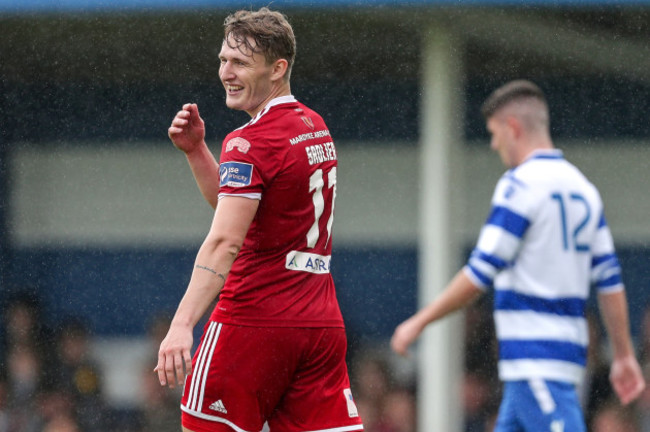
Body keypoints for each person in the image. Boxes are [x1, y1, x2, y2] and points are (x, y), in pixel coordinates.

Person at [390, 80, 645, 431]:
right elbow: (610, 281)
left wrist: (420, 321)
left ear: (513, 128)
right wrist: (624, 355)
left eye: (494, 134)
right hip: (555, 361)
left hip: (537, 363)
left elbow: (480, 272)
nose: (494, 144)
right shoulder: (584, 191)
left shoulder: (520, 186)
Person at [156, 8, 363, 432]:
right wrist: (197, 151)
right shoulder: (314, 126)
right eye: (222, 60)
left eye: (239, 63)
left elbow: (225, 242)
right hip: (318, 323)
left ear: (278, 68)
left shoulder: (249, 141)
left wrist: (181, 324)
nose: (225, 73)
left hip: (254, 320)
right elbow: (244, 212)